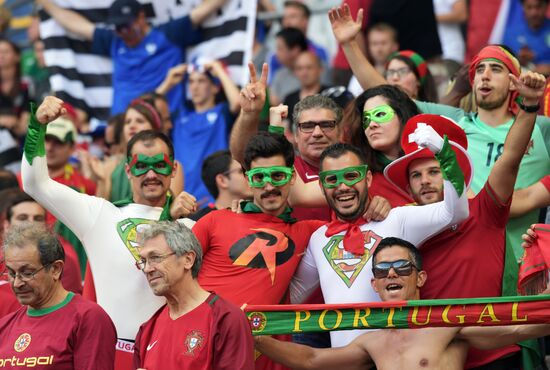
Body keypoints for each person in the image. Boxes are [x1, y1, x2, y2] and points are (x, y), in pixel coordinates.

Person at [383, 69, 546, 368]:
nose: (425, 181)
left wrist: (529, 105)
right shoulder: (404, 227)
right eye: (416, 176)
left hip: (496, 355)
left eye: (434, 171)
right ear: (407, 188)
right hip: (437, 360)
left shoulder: (485, 209)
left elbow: (510, 156)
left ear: (453, 171)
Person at [21, 96, 197, 369]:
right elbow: (35, 183)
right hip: (110, 355)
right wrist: (37, 126)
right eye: (141, 165)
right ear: (127, 170)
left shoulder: (190, 228)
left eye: (160, 165)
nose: (151, 173)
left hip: (172, 354)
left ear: (173, 170)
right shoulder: (100, 215)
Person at [290, 128, 470, 347]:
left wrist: (444, 153)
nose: (343, 187)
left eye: (351, 176)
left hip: (396, 360)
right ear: (321, 186)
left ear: (367, 178)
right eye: (331, 180)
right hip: (346, 363)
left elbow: (455, 212)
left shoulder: (398, 218)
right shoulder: (319, 239)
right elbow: (293, 294)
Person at [256, 237, 550, 370]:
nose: (392, 273)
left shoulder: (447, 324)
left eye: (401, 266)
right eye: (383, 270)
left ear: (420, 277)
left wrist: (544, 287)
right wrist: (255, 336)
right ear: (375, 284)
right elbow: (311, 359)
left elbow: (517, 331)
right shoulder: (371, 340)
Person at [192, 132, 328, 370]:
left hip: (261, 357)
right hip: (200, 350)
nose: (269, 186)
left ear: (292, 177)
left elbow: (354, 228)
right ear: (247, 179)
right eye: (259, 177)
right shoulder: (213, 221)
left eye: (277, 176)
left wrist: (378, 205)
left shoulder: (309, 232)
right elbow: (173, 272)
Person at [37, 0, 227, 114]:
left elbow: (206, 9)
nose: (122, 32)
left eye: (125, 26)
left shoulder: (169, 34)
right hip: (123, 126)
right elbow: (75, 24)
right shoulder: (114, 41)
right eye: (117, 27)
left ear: (141, 18)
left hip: (163, 122)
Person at [134, 221, 254, 369]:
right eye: (143, 261)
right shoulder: (147, 329)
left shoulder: (226, 319)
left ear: (188, 260)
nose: (147, 269)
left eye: (155, 258)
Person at [0, 224, 116, 369]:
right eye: (11, 273)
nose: (17, 283)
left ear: (55, 269)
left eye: (27, 273)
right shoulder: (4, 326)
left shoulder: (87, 318)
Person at [156, 59, 240, 203]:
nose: (194, 87)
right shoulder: (177, 117)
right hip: (181, 197)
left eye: (201, 81)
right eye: (191, 82)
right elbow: (147, 110)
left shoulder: (223, 113)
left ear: (215, 87)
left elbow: (238, 103)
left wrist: (218, 69)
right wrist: (168, 82)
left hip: (213, 198)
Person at [330, 6, 438, 102]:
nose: (395, 78)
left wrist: (349, 43)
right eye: (390, 72)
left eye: (403, 71)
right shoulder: (380, 113)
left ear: (419, 80)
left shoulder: (433, 113)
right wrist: (348, 43)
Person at [3, 191, 83, 294]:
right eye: (22, 218)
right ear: (6, 226)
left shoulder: (62, 260)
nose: (31, 223)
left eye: (38, 219)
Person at [268, 0, 329, 83]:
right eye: (285, 18)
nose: (287, 22)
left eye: (293, 16)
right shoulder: (275, 57)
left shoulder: (319, 52)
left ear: (305, 20)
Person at [189, 150, 252, 221]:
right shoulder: (196, 222)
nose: (249, 176)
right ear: (222, 180)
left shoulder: (260, 213)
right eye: (241, 171)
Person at [347, 22, 399, 96]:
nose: (379, 48)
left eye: (383, 43)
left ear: (395, 46)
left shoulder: (401, 75)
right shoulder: (359, 75)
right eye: (374, 43)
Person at [502, 0, 550, 76]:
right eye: (529, 7)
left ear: (547, 6)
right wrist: (518, 60)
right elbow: (503, 63)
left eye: (538, 7)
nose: (534, 13)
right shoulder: (510, 33)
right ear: (522, 7)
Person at [283, 51, 330, 123]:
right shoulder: (289, 99)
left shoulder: (332, 95)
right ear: (295, 72)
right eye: (299, 68)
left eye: (309, 67)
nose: (304, 73)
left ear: (320, 69)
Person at [270, 27, 308, 105]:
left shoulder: (318, 70)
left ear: (295, 50)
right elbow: (274, 104)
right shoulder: (280, 74)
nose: (276, 53)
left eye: (280, 48)